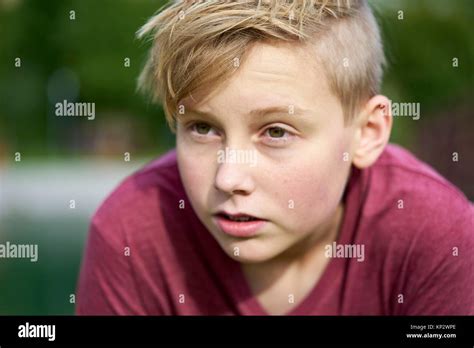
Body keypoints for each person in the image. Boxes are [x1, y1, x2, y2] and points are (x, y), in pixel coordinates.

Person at [76, 0, 473, 315]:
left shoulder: (437, 236)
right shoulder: (132, 234)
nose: (229, 178)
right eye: (202, 127)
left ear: (367, 134)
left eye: (276, 132)